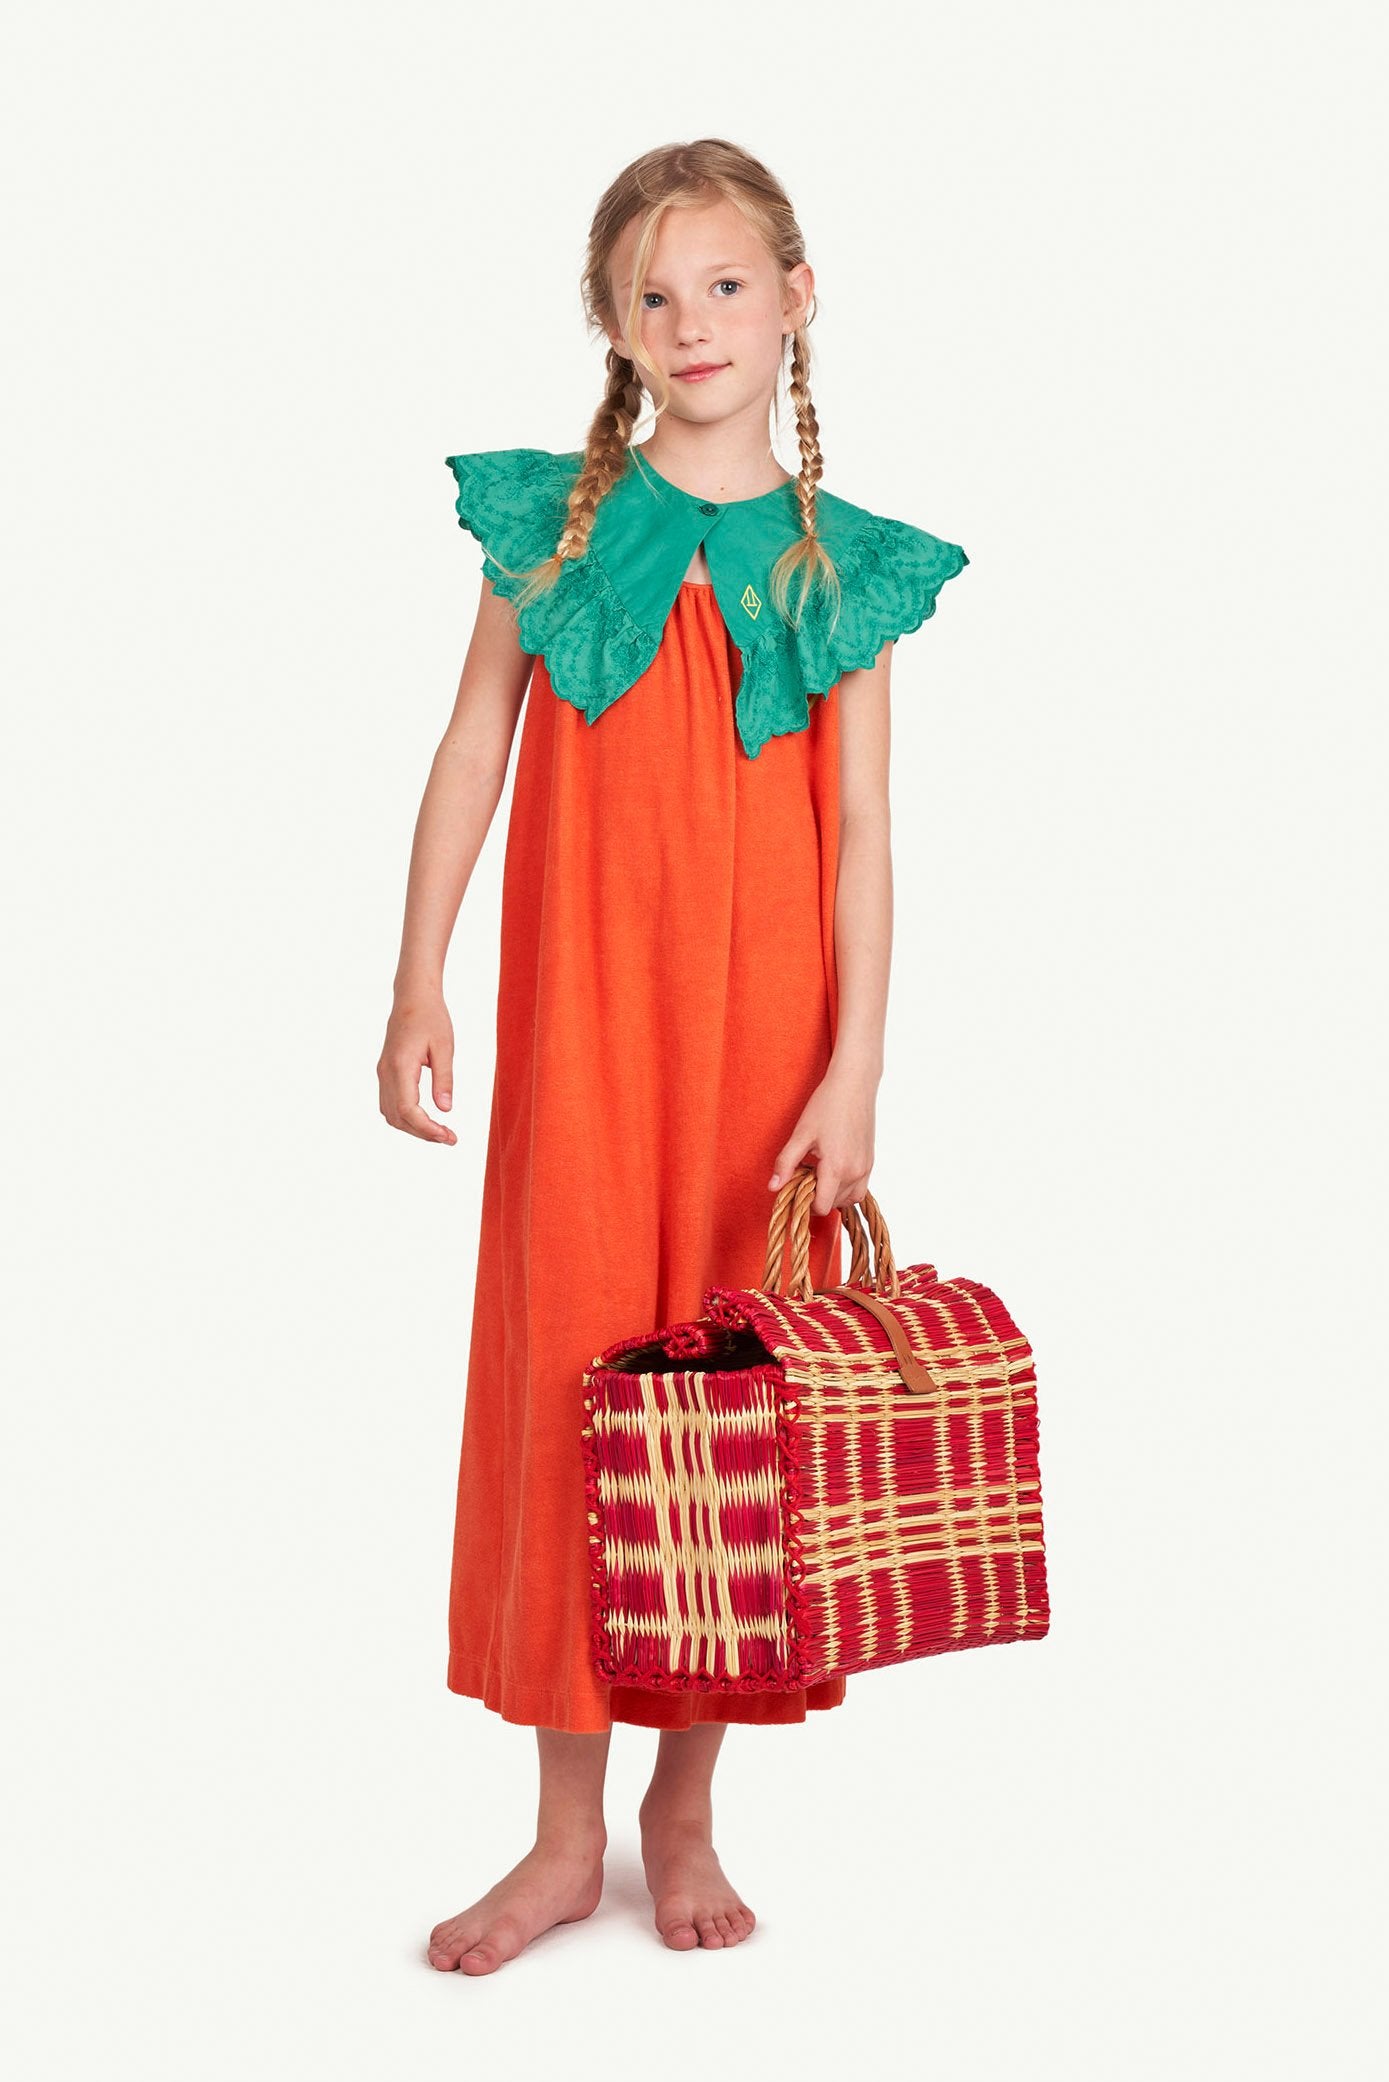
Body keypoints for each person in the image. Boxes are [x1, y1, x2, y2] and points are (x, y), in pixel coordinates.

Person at [376, 137, 968, 1975]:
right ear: (612, 324)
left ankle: (682, 1809)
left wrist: (855, 1067)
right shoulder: (550, 529)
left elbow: (862, 832)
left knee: (727, 1410)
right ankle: (564, 1832)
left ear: (795, 300)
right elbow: (470, 747)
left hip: (759, 1047)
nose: (690, 320)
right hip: (583, 1025)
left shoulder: (840, 567)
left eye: (723, 284)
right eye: (652, 293)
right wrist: (417, 978)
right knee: (577, 1381)